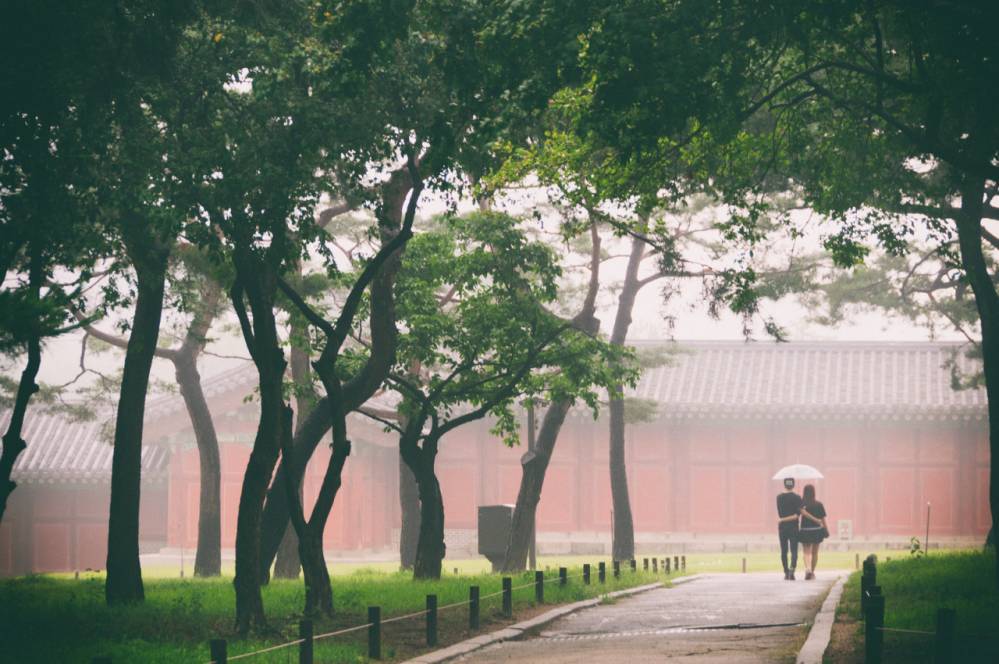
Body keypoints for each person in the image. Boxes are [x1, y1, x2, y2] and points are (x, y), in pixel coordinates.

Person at [798, 484, 829, 580]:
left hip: (805, 531)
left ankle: (808, 569)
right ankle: (812, 572)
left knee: (806, 552)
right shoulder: (819, 504)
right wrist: (826, 529)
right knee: (815, 553)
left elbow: (797, 515)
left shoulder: (801, 504)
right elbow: (823, 519)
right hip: (817, 531)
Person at [776, 477, 802, 580]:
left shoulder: (779, 497)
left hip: (782, 527)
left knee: (784, 550)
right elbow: (797, 515)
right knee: (794, 550)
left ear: (784, 485)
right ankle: (792, 570)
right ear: (793, 485)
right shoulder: (797, 497)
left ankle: (786, 572)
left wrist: (783, 519)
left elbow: (780, 514)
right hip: (793, 527)